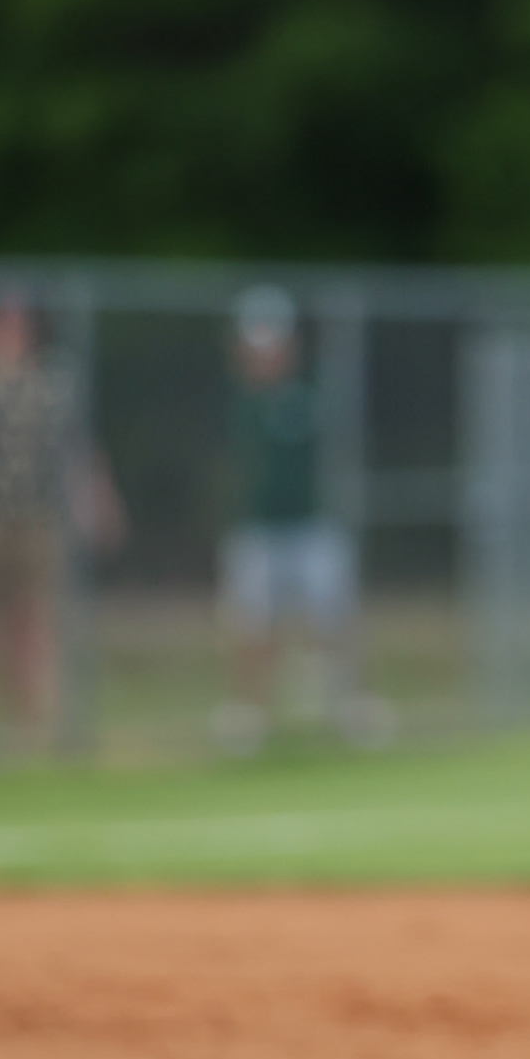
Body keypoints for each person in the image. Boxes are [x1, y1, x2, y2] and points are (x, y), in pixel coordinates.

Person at [0, 292, 126, 747]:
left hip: (40, 515)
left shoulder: (53, 379)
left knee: (40, 615)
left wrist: (98, 502)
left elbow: (78, 450)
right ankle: (10, 719)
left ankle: (46, 720)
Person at [213, 285, 386, 753]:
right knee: (251, 623)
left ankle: (349, 708)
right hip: (257, 528)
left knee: (334, 618)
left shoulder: (312, 395)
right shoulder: (241, 402)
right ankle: (249, 716)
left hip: (311, 525)